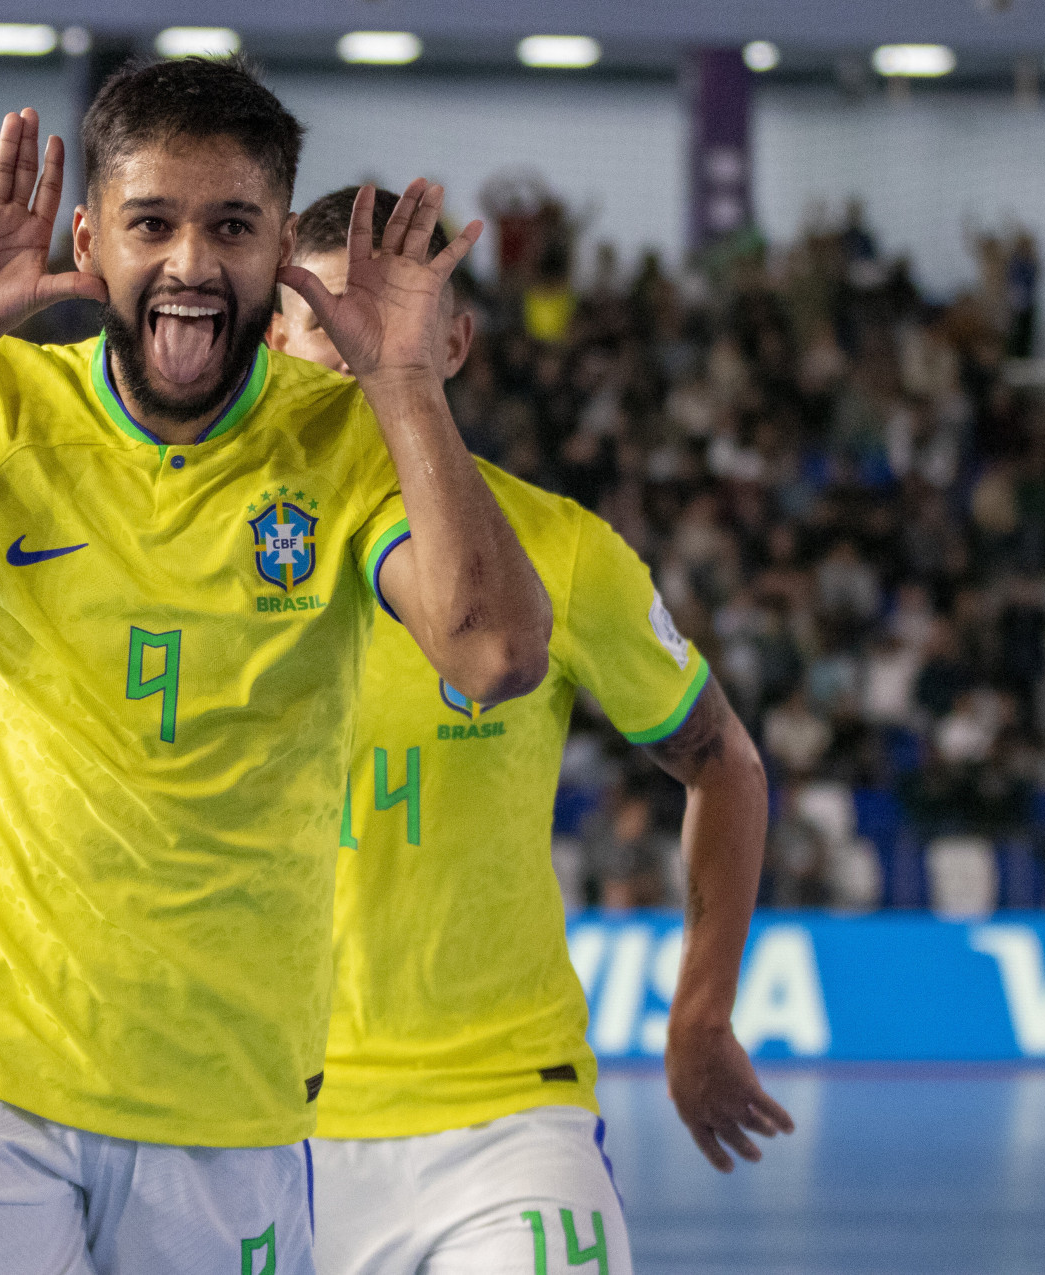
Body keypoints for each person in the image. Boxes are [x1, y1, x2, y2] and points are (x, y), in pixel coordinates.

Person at [0, 56, 551, 1275]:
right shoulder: (1, 399)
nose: (188, 263)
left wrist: (401, 382)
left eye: (231, 227)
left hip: (226, 1105)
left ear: (281, 248)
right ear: (88, 239)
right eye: (151, 223)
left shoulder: (342, 441)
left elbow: (493, 655)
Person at [271, 186, 791, 1275]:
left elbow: (723, 766)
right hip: (261, 1123)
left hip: (510, 1118)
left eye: (397, 327)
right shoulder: (191, 541)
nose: (367, 358)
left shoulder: (558, 551)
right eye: (332, 325)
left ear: (451, 343)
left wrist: (700, 1014)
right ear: (276, 332)